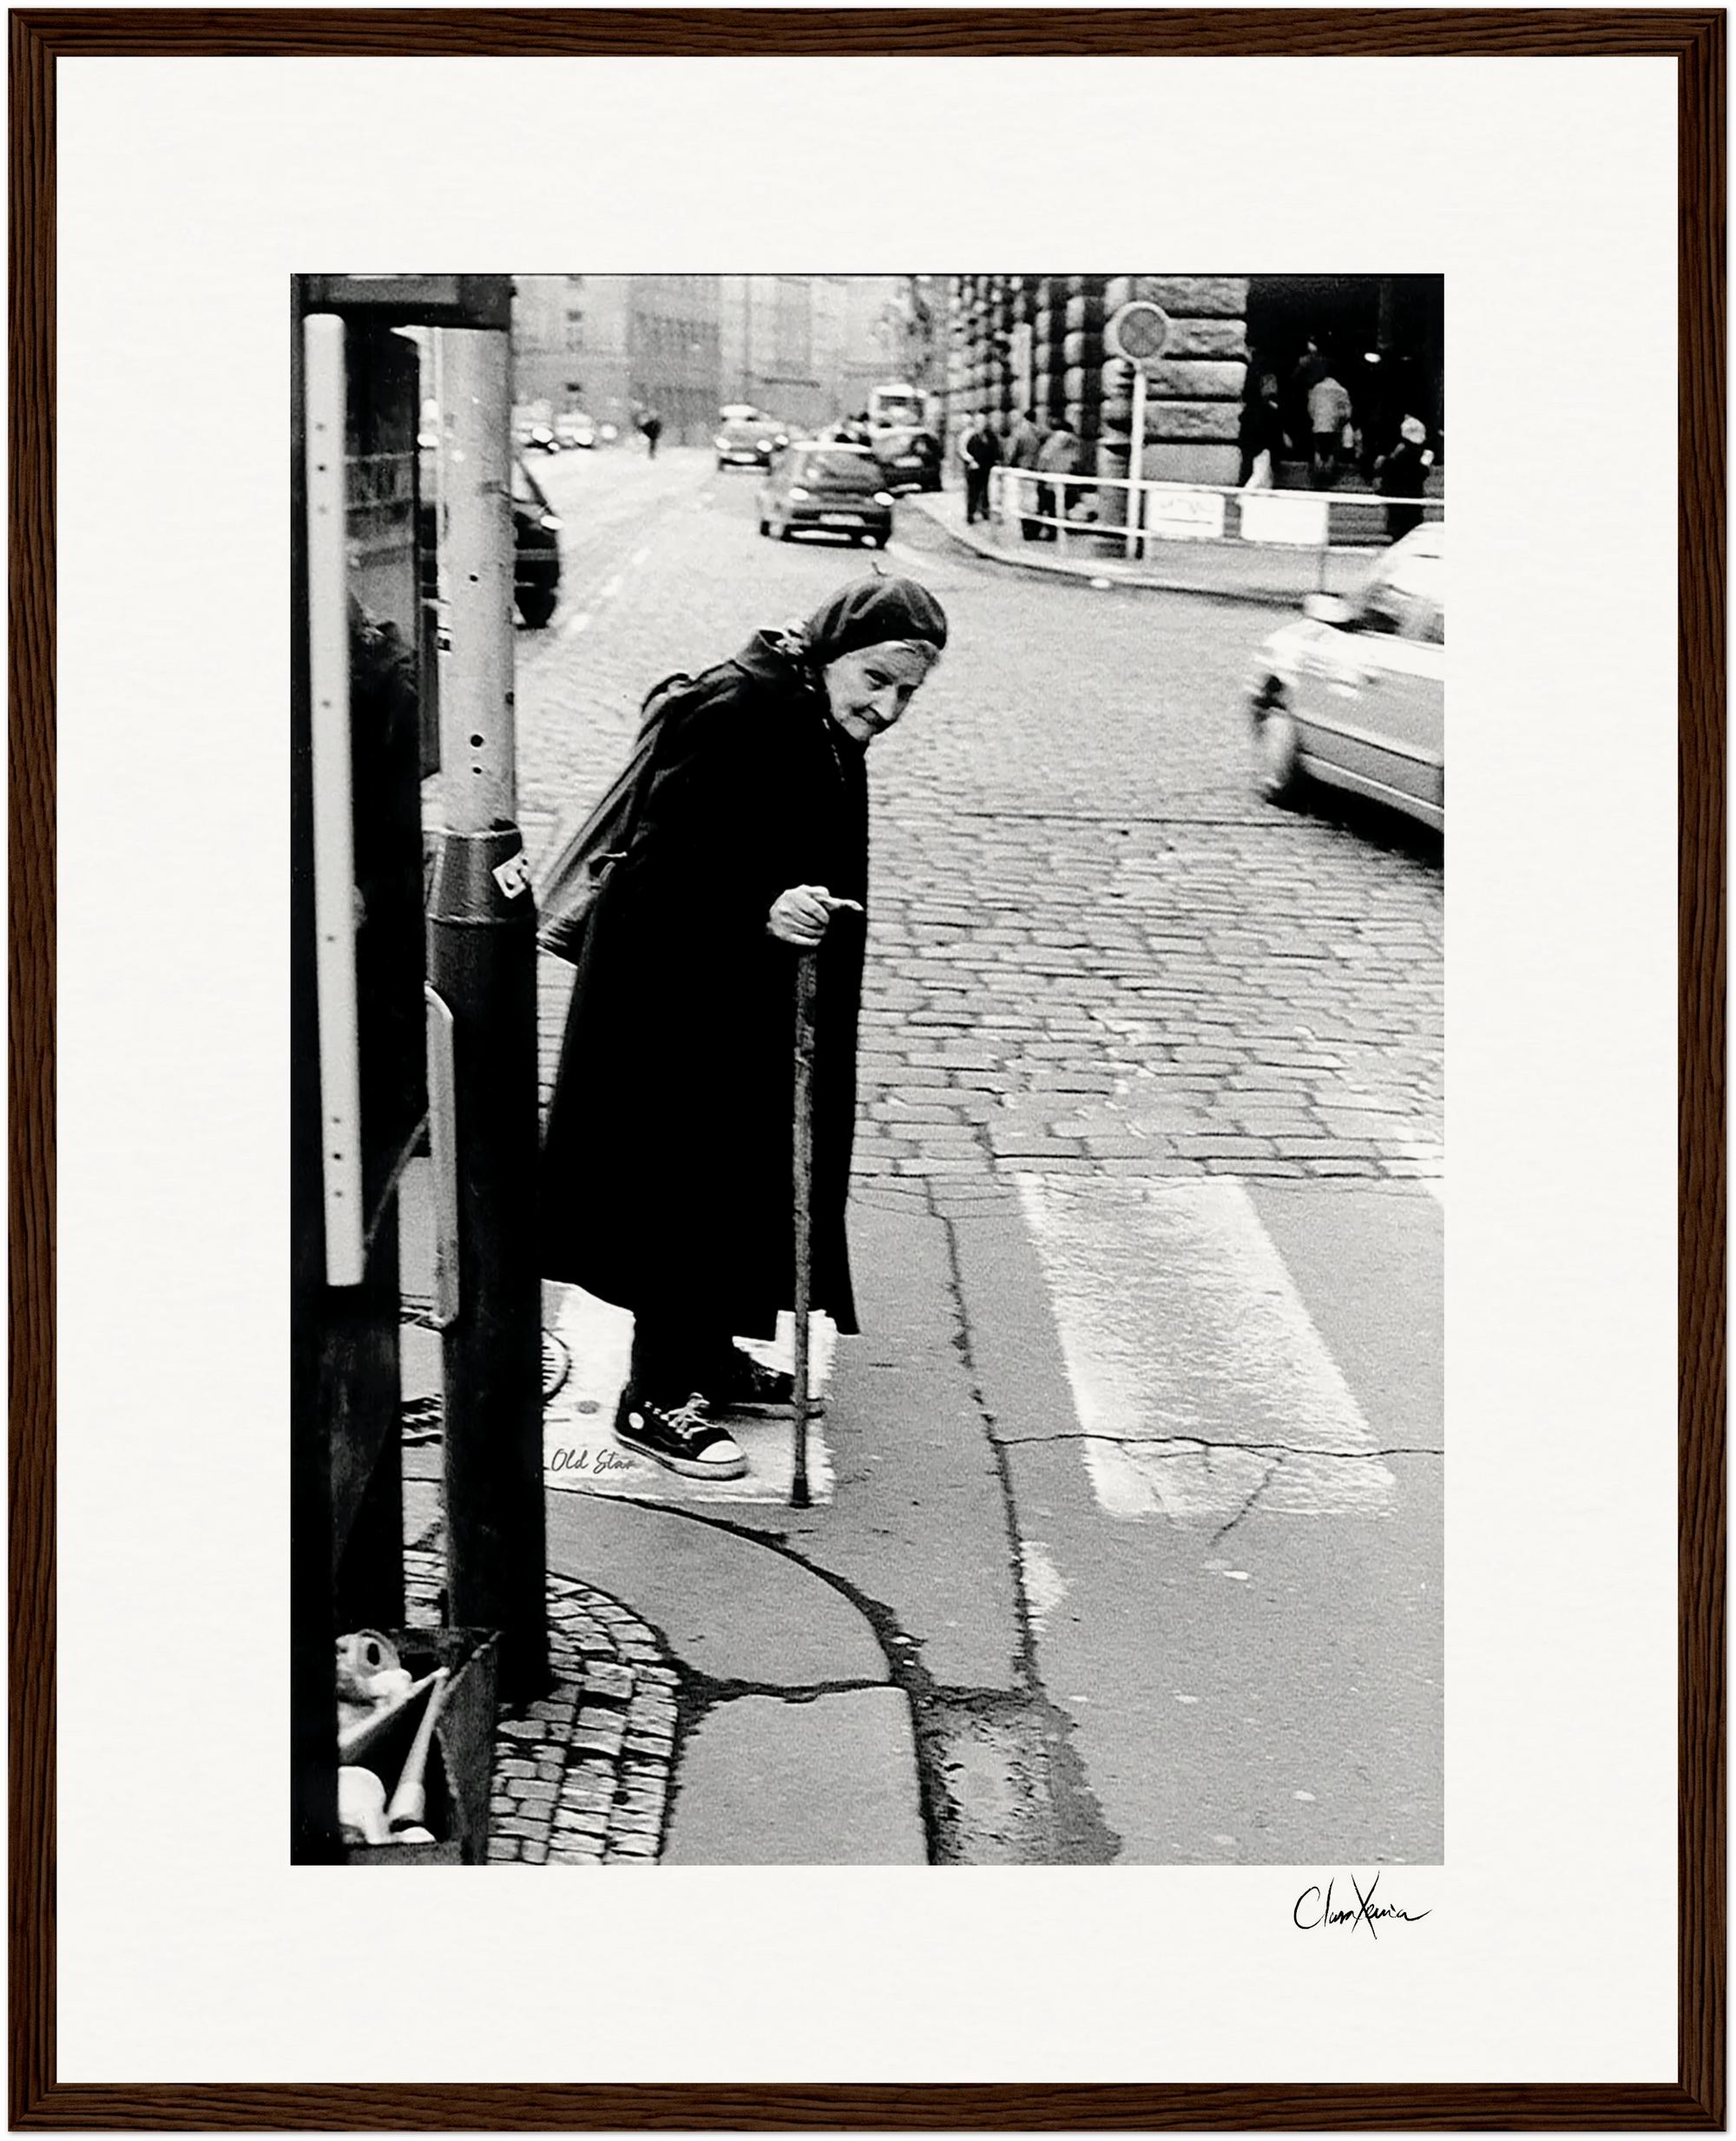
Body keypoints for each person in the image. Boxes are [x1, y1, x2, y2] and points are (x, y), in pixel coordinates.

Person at [539, 575, 950, 1481]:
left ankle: (709, 1354)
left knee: (743, 1176)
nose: (884, 707)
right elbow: (655, 874)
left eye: (905, 694)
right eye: (876, 679)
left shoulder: (810, 710)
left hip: (751, 997)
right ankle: (653, 1396)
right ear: (830, 650)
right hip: (678, 1006)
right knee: (688, 1183)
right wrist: (759, 913)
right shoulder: (737, 710)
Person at [1374, 415, 1436, 541]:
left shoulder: (1397, 453)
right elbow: (1420, 474)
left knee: (1398, 532)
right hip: (1411, 498)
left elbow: (1385, 470)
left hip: (1396, 497)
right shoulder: (1421, 454)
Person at [1034, 417, 1084, 538]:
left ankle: (1048, 530)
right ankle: (1053, 529)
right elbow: (1076, 460)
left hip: (1050, 477)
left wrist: (1040, 472)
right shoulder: (1073, 441)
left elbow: (1044, 457)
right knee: (1057, 505)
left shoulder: (1055, 440)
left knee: (1046, 505)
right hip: (1064, 477)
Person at [1237, 371, 1288, 489]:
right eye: (1272, 385)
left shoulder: (1251, 409)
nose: (1274, 388)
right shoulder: (1271, 411)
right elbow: (1278, 438)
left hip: (1251, 452)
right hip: (1262, 453)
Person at [1305, 366, 1353, 489]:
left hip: (1318, 426)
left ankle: (1317, 479)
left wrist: (1316, 419)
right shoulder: (1342, 391)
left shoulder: (1317, 388)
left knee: (1318, 451)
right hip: (1333, 428)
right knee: (1330, 452)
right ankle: (1328, 480)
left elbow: (1311, 408)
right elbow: (1347, 413)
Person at [1004, 406, 1042, 537]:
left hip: (1022, 469)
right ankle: (1034, 529)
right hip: (1036, 469)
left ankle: (1027, 531)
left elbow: (1011, 452)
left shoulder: (1019, 432)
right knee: (1033, 501)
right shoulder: (1039, 431)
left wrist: (1008, 464)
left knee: (1024, 502)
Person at [959, 413, 1002, 525]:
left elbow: (995, 450)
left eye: (983, 422)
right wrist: (971, 461)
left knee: (985, 491)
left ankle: (985, 511)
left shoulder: (990, 437)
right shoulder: (972, 437)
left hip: (986, 468)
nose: (981, 425)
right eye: (978, 422)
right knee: (973, 493)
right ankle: (970, 514)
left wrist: (996, 461)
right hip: (974, 469)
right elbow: (964, 451)